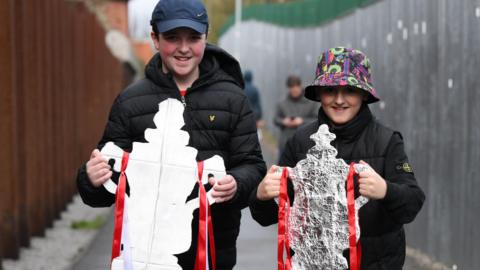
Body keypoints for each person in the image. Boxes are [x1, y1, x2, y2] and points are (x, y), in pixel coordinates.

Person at [76, 0, 266, 269]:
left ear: (206, 36)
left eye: (193, 38)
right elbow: (108, 182)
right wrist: (90, 179)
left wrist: (236, 183)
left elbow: (253, 165)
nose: (184, 48)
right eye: (172, 38)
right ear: (154, 38)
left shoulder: (233, 99)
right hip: (144, 254)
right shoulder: (130, 102)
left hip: (213, 253)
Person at [249, 47, 425, 269]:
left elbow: (412, 203)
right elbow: (270, 216)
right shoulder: (300, 142)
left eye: (350, 90)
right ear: (320, 93)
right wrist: (261, 196)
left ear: (364, 94)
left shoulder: (387, 141)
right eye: (330, 90)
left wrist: (386, 190)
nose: (339, 100)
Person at [274, 75, 318, 157]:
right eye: (291, 87)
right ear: (288, 88)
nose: (294, 89)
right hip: (286, 142)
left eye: (296, 86)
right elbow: (276, 119)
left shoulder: (312, 102)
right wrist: (284, 121)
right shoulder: (282, 103)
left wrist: (302, 121)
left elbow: (317, 119)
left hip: (307, 143)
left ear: (300, 86)